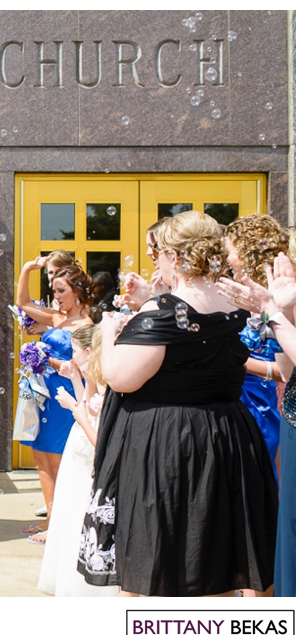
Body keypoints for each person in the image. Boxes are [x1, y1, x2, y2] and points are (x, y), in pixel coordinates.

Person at [79, 210, 278, 596]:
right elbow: (198, 339)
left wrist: (110, 330)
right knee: (218, 552)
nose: (157, 261)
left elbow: (120, 377)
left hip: (168, 442)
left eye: (160, 254)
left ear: (174, 256)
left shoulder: (162, 312)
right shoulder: (237, 303)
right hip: (229, 435)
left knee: (159, 553)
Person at [218, 248, 296, 597]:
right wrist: (282, 312)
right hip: (287, 414)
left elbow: (284, 368)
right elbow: (290, 369)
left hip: (269, 413)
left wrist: (274, 313)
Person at [15, 261, 95, 543]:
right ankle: (51, 516)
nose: (56, 296)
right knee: (40, 456)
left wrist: (45, 358)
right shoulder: (58, 318)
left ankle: (63, 521)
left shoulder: (86, 325)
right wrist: (27, 269)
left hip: (65, 397)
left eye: (61, 291)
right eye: (54, 291)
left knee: (59, 459)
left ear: (78, 291)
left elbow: (83, 366)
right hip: (43, 394)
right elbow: (23, 303)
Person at [37, 325, 117, 596]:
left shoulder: (110, 379)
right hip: (80, 442)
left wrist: (73, 408)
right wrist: (74, 379)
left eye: (74, 351)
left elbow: (91, 417)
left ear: (89, 352)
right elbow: (88, 403)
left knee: (82, 509)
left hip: (90, 447)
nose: (71, 357)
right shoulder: (92, 373)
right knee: (70, 507)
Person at [223, 214, 288, 479]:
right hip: (241, 402)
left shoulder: (282, 296)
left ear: (246, 251)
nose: (227, 259)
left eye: (230, 251)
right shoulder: (247, 295)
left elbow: (290, 368)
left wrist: (238, 362)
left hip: (267, 406)